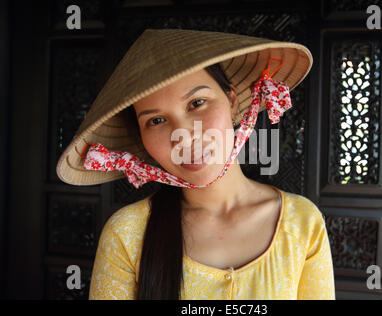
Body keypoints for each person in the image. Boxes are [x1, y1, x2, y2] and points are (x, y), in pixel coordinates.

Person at [56, 28, 335, 300]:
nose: (185, 136)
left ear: (232, 101)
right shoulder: (126, 234)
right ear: (142, 137)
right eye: (156, 120)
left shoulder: (302, 222)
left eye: (197, 103)